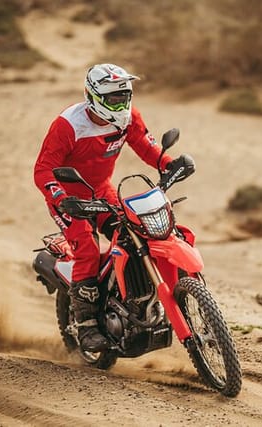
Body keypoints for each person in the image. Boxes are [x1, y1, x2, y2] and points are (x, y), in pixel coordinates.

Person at [34, 63, 181, 352]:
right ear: (94, 96)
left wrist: (169, 163)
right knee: (87, 249)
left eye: (125, 95)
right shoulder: (68, 125)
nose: (121, 102)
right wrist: (61, 198)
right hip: (70, 198)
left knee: (135, 232)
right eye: (114, 97)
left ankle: (133, 296)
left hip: (102, 190)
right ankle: (87, 324)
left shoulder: (129, 117)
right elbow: (43, 170)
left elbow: (145, 146)